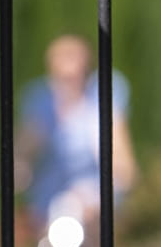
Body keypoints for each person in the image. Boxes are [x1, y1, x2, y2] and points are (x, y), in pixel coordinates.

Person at [19, 35, 137, 228]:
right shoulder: (40, 97)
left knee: (86, 216)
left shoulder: (104, 92)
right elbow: (28, 141)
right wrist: (19, 166)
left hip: (95, 187)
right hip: (51, 188)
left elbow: (117, 147)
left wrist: (123, 171)